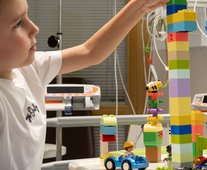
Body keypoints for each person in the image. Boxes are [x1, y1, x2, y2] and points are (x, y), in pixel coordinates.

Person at [0, 0, 167, 169]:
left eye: (27, 15)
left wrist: (141, 5)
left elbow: (91, 52)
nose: (35, 28)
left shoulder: (28, 69)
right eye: (18, 23)